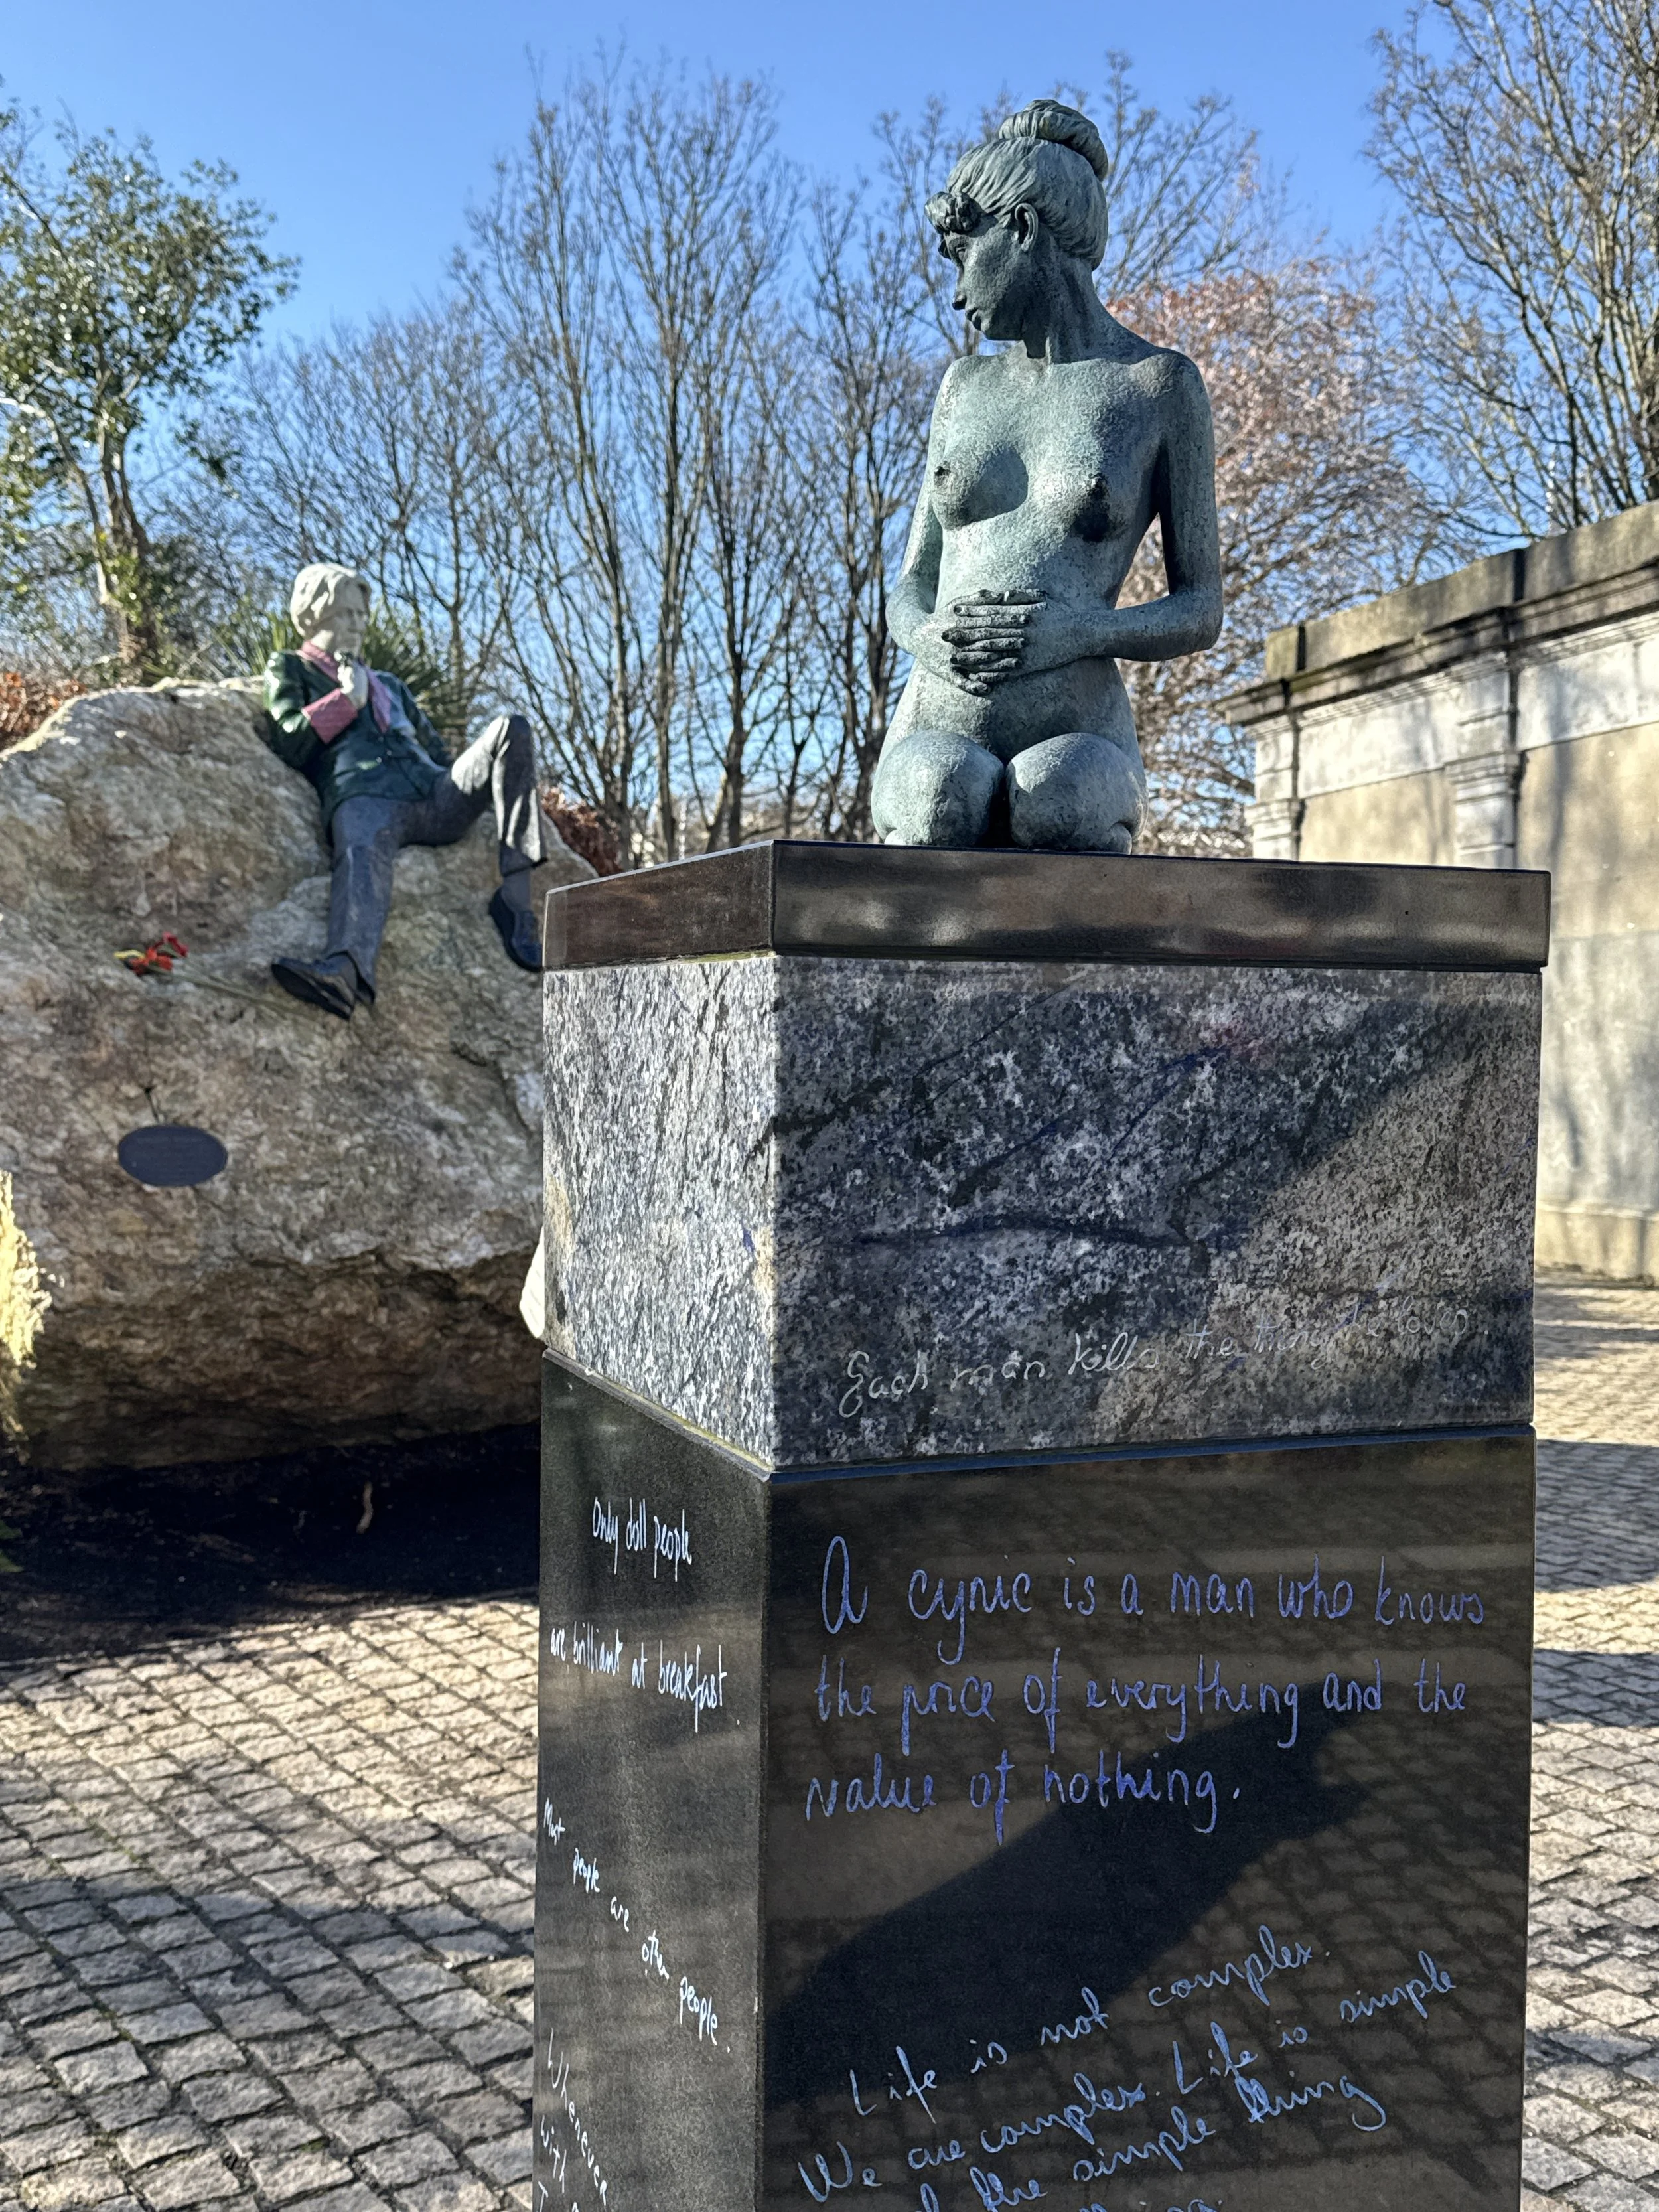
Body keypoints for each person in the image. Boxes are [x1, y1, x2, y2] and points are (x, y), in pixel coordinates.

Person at [875, 100, 1224, 853]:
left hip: (1079, 734)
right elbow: (910, 585)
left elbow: (1200, 608)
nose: (958, 290)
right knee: (941, 799)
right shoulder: (963, 389)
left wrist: (1083, 633)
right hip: (935, 721)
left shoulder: (1155, 388)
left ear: (1024, 231)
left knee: (1056, 802)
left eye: (964, 254)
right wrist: (930, 636)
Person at [261, 562, 544, 1019]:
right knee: (359, 848)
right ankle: (345, 970)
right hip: (364, 792)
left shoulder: (391, 684)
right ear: (312, 617)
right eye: (344, 615)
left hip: (431, 791)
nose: (356, 625)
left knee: (511, 727)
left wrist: (471, 782)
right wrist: (346, 702)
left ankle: (515, 900)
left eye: (360, 615)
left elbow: (436, 748)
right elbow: (290, 739)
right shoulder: (290, 667)